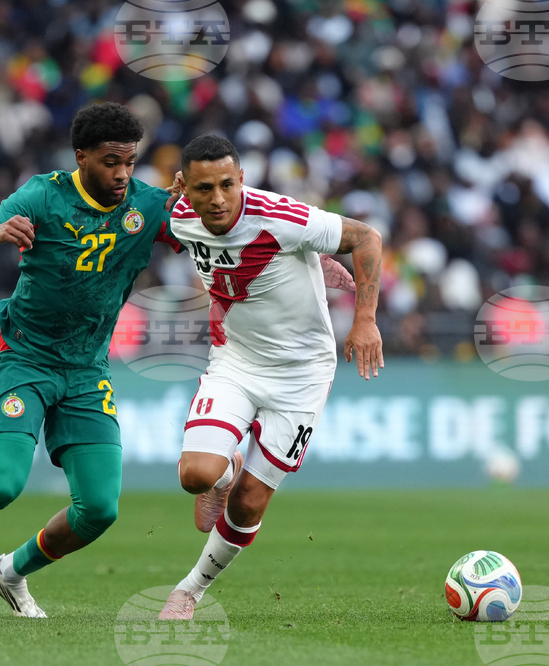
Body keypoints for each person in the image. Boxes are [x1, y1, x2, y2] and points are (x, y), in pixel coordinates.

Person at [0, 102, 186, 617]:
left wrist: (200, 202)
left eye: (130, 162)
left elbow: (224, 230)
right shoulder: (42, 195)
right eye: (111, 161)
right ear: (82, 156)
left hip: (87, 368)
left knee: (99, 509)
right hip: (24, 357)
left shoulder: (149, 205)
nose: (122, 173)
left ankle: (11, 571)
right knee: (1, 484)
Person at [158, 135, 384, 619]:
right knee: (195, 474)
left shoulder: (281, 216)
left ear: (242, 179)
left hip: (303, 375)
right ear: (187, 189)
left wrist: (363, 319)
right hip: (236, 362)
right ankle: (225, 469)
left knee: (248, 505)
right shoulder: (179, 217)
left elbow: (367, 237)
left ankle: (190, 591)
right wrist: (313, 260)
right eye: (203, 189)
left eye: (226, 185)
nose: (217, 199)